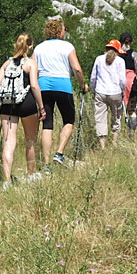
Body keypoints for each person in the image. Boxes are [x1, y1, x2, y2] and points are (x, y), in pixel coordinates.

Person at [0, 32, 45, 184]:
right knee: (30, 140)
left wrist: (2, 101)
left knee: (9, 142)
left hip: (7, 105)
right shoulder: (31, 64)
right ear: (30, 46)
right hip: (26, 103)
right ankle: (31, 174)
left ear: (15, 45)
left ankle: (6, 181)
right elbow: (34, 86)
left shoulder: (6, 64)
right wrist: (41, 107)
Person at [34, 16, 85, 166]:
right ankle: (59, 153)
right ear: (60, 31)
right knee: (69, 120)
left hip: (44, 86)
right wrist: (83, 85)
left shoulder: (39, 48)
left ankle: (46, 163)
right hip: (63, 85)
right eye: (64, 29)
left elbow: (32, 67)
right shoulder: (67, 46)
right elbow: (77, 69)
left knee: (47, 124)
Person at [90, 39, 127, 150]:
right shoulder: (120, 61)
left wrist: (93, 90)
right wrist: (122, 90)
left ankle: (103, 146)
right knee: (116, 117)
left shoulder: (99, 59)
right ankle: (114, 143)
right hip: (115, 92)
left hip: (101, 91)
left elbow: (93, 77)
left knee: (100, 118)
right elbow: (122, 80)